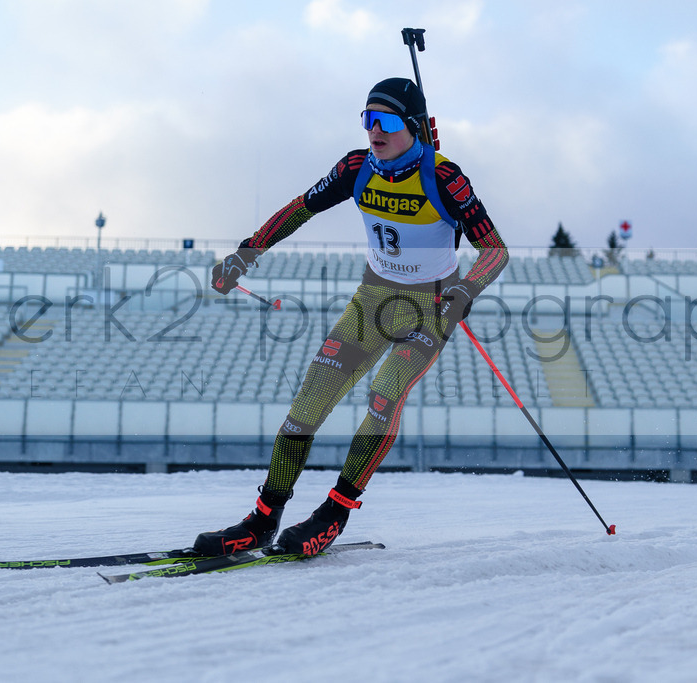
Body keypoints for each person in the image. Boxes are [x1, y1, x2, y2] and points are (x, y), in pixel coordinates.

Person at [193, 77, 509, 557]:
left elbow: (495, 250)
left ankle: (334, 512)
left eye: (385, 121)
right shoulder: (357, 167)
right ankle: (262, 519)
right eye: (367, 119)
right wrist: (245, 254)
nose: (373, 131)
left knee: (385, 392)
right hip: (373, 301)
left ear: (414, 127)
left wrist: (467, 288)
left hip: (431, 308)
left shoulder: (445, 178)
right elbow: (302, 208)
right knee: (308, 404)